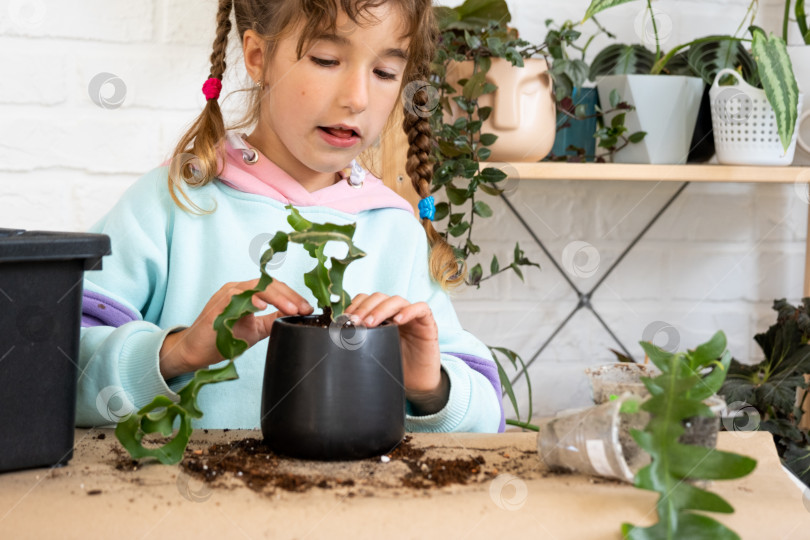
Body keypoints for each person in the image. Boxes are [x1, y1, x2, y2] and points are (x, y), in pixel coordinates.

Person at [75, 0, 504, 433]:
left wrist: (429, 387)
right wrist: (178, 352)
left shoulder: (398, 231)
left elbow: (487, 419)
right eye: (326, 60)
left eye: (385, 73)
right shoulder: (168, 204)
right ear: (258, 57)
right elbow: (45, 370)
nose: (356, 98)